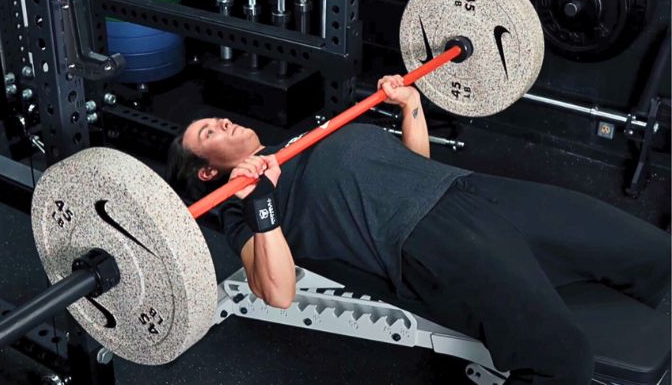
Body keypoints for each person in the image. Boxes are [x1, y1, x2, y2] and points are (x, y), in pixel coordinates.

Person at [164, 75, 670, 385]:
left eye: (216, 119)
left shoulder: (297, 140)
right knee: (562, 359)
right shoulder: (239, 205)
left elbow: (414, 165)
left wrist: (411, 107)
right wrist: (263, 203)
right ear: (207, 172)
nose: (223, 123)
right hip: (424, 238)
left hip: (470, 188)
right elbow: (276, 291)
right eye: (209, 132)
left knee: (652, 251)